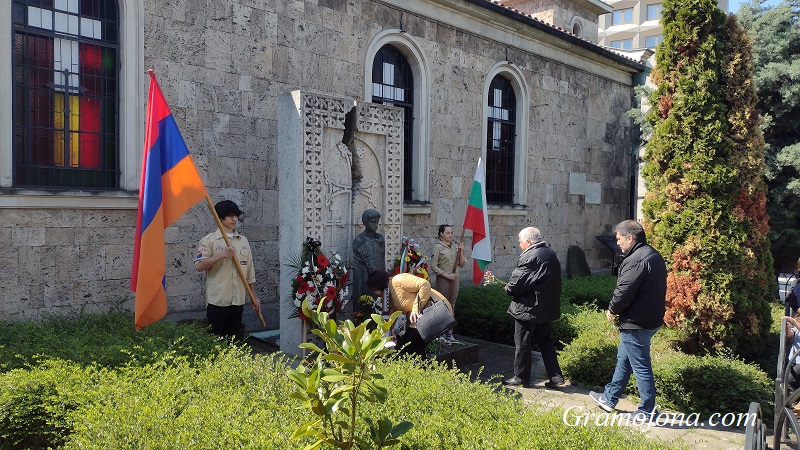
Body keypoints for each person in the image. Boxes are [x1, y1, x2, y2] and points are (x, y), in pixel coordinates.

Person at [590, 220, 666, 421]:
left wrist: (612, 309)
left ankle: (646, 411)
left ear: (630, 238)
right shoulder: (651, 254)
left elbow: (624, 291)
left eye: (619, 239)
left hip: (637, 322)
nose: (618, 243)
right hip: (646, 319)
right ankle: (609, 398)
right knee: (624, 359)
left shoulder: (636, 260)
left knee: (640, 366)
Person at [504, 227, 565, 389]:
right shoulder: (549, 253)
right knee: (545, 341)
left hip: (528, 309)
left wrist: (507, 288)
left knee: (523, 344)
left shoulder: (530, 256)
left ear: (529, 241)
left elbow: (517, 284)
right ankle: (556, 376)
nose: (519, 244)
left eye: (520, 241)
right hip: (545, 307)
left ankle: (521, 377)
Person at [195, 200, 261, 337]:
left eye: (236, 215)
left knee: (234, 342)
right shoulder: (209, 240)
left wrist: (254, 296)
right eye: (230, 215)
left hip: (238, 301)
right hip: (218, 301)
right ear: (220, 217)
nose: (234, 219)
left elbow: (249, 271)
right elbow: (199, 266)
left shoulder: (243, 241)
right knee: (216, 342)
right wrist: (223, 255)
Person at [366, 270, 453, 358]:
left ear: (378, 285)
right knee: (406, 344)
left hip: (437, 310)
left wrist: (415, 309)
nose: (374, 293)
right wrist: (384, 334)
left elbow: (425, 284)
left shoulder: (398, 280)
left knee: (411, 343)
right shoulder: (388, 297)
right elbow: (392, 316)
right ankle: (420, 368)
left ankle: (421, 369)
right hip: (421, 319)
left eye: (374, 290)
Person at [431, 224, 465, 343]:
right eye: (447, 233)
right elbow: (433, 266)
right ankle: (439, 333)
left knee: (451, 305)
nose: (450, 235)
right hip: (443, 280)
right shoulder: (438, 247)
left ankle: (449, 333)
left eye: (451, 233)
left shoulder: (455, 246)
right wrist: (446, 275)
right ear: (441, 234)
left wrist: (461, 251)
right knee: (441, 305)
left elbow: (462, 264)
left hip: (455, 279)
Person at [352, 209, 386, 302]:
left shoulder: (380, 239)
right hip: (365, 279)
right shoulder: (359, 242)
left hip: (379, 278)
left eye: (377, 222)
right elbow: (359, 269)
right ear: (365, 223)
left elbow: (382, 259)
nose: (375, 225)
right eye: (372, 222)